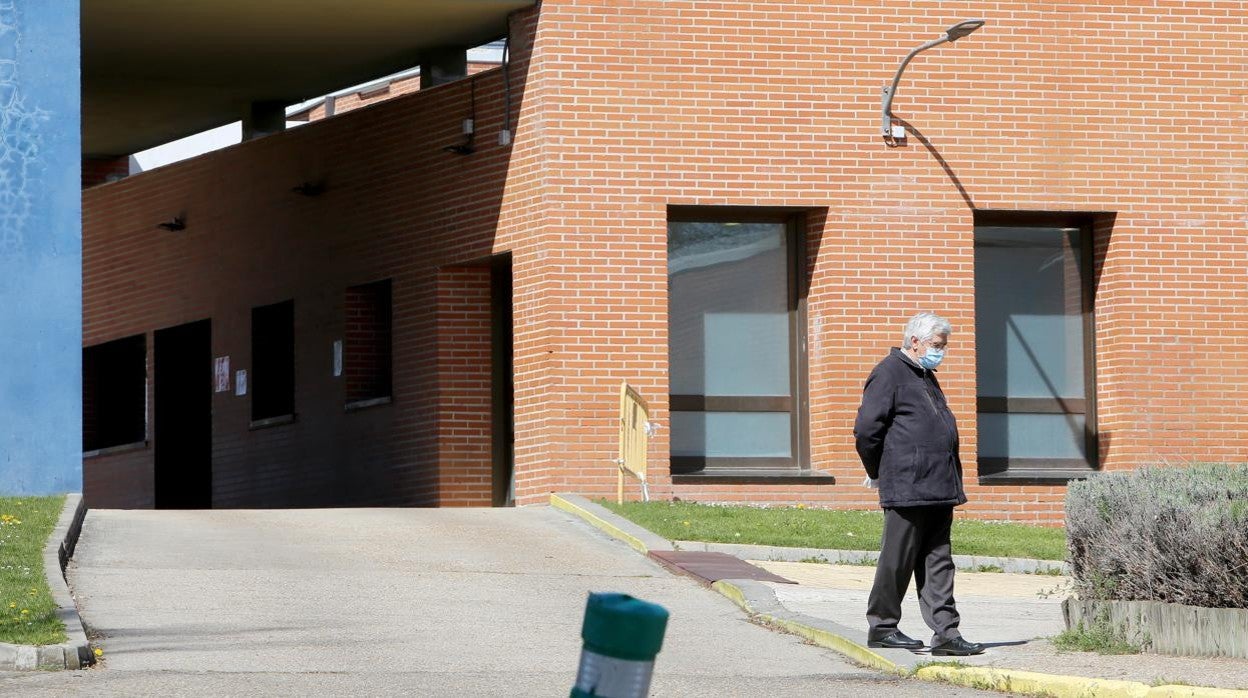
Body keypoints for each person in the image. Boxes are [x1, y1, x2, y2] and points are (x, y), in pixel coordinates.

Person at [852, 312, 984, 656]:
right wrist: (876, 469)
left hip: (939, 485)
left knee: (939, 561)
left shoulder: (925, 376)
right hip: (908, 485)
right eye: (937, 345)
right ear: (915, 341)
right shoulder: (889, 373)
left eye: (943, 346)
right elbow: (867, 429)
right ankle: (882, 627)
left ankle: (946, 633)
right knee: (897, 558)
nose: (942, 352)